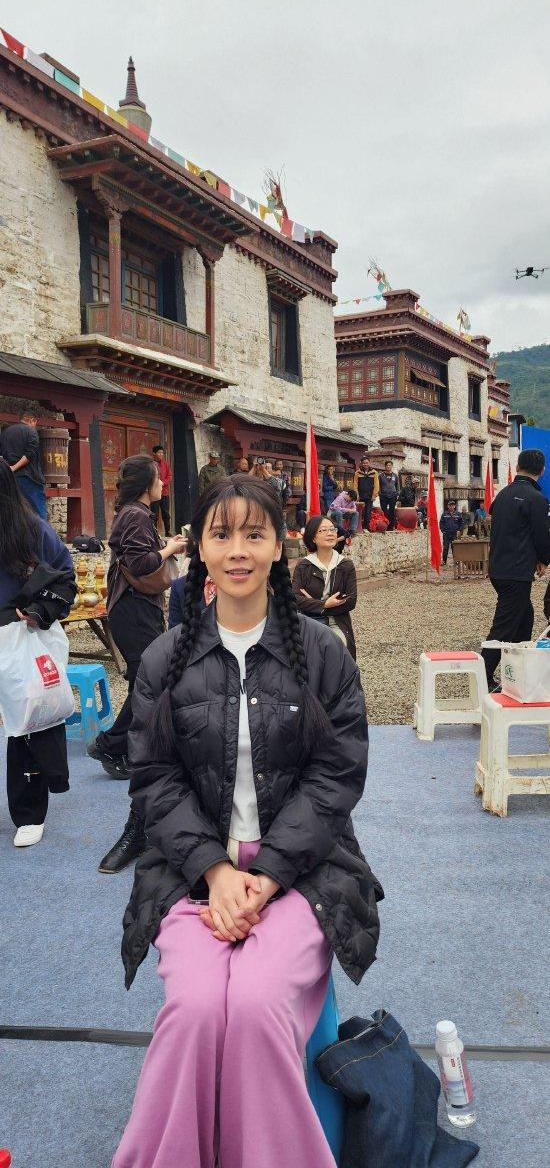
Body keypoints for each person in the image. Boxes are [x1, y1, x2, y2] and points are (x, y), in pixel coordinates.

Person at [114, 475, 380, 1168]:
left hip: (306, 869)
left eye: (254, 534)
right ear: (198, 546)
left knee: (259, 1008)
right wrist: (215, 869)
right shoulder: (164, 659)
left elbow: (337, 775)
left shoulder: (322, 652)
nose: (238, 550)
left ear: (277, 545)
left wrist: (267, 873)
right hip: (189, 872)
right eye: (222, 534)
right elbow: (154, 778)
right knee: (197, 1010)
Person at [87, 455, 186, 874]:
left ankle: (113, 744)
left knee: (146, 681)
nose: (164, 484)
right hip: (132, 608)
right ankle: (112, 744)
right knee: (150, 681)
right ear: (148, 483)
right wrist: (172, 548)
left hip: (136, 607)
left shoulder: (138, 514)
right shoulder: (135, 515)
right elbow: (143, 563)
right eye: (159, 479)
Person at [0, 459, 76, 846]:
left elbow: (65, 577)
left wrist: (37, 611)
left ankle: (29, 812)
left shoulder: (30, 529)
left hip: (18, 633)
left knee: (30, 720)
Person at [482, 448, 550, 692]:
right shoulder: (537, 499)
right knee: (505, 626)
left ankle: (519, 671)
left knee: (524, 617)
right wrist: (544, 559)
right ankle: (483, 675)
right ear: (542, 470)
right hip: (516, 571)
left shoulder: (502, 495)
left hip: (499, 568)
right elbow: (542, 534)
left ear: (518, 466)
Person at [292, 515, 358, 657]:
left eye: (332, 529)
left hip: (337, 623)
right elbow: (294, 599)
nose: (330, 533)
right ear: (313, 538)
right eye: (323, 530)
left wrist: (313, 604)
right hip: (309, 622)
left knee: (338, 650)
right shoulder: (304, 566)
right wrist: (325, 604)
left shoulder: (345, 565)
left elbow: (351, 601)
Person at [0, 408, 47, 520]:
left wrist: (8, 470)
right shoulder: (31, 432)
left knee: (12, 512)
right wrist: (14, 467)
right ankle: (42, 531)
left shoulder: (5, 433)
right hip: (28, 478)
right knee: (39, 512)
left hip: (8, 478)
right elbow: (30, 454)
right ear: (32, 420)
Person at [150, 445, 172, 536]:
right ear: (154, 453)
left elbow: (169, 476)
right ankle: (154, 533)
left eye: (162, 453)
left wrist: (163, 483)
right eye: (159, 452)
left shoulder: (165, 464)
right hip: (154, 492)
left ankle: (167, 531)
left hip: (164, 492)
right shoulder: (150, 464)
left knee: (166, 513)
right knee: (154, 513)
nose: (161, 454)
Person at [353, 455, 379, 532]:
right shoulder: (357, 473)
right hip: (360, 496)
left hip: (370, 496)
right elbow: (355, 485)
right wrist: (356, 495)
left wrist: (374, 495)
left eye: (366, 462)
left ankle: (366, 528)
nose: (365, 464)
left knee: (368, 512)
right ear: (361, 463)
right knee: (359, 512)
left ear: (369, 463)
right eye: (364, 463)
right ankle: (357, 527)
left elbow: (376, 485)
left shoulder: (374, 473)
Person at [439, 500, 463, 564]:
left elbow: (461, 523)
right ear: (448, 506)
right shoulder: (444, 514)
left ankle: (456, 561)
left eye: (453, 505)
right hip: (446, 533)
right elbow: (441, 523)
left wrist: (459, 530)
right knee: (445, 547)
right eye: (450, 505)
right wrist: (443, 531)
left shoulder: (458, 514)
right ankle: (444, 561)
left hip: (454, 533)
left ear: (454, 506)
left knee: (454, 548)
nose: (451, 507)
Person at [378, 460, 400, 530]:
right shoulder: (381, 475)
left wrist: (397, 493)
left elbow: (397, 485)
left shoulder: (395, 476)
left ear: (391, 466)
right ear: (385, 466)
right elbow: (378, 485)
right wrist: (379, 493)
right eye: (387, 465)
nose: (388, 466)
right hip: (383, 495)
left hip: (393, 495)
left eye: (390, 465)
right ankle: (385, 525)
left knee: (392, 511)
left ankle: (391, 527)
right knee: (383, 510)